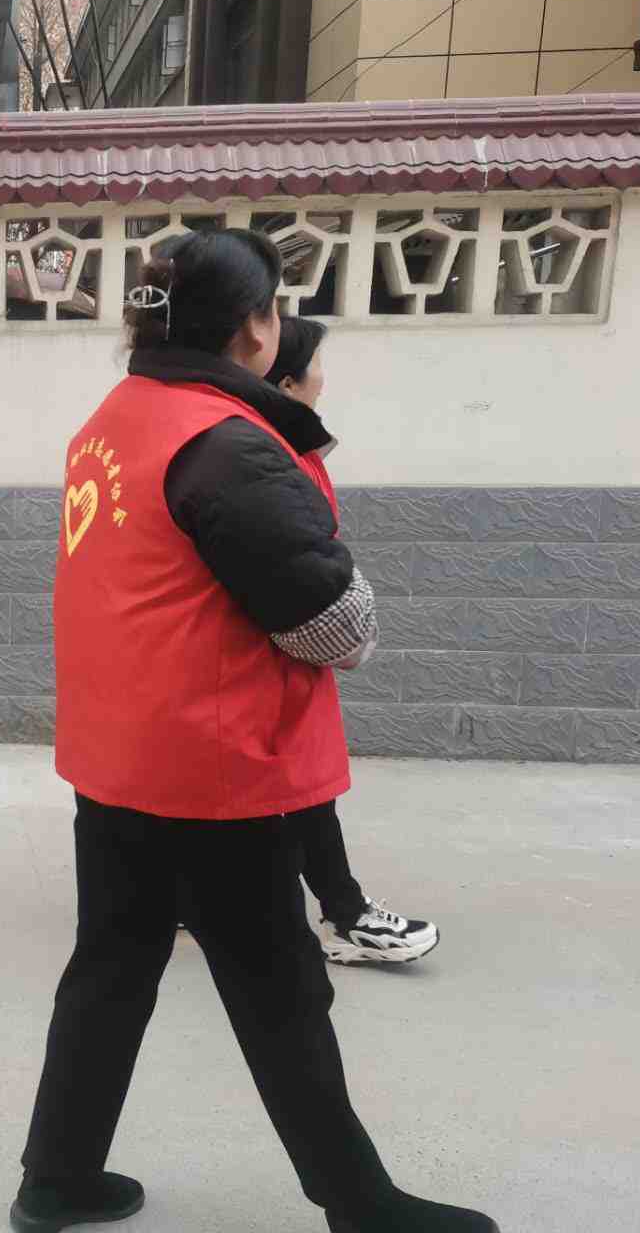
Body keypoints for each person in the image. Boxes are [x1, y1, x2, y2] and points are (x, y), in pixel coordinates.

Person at [10, 232, 496, 1233]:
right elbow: (333, 627)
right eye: (274, 306)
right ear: (254, 326)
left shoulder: (117, 415)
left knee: (110, 967)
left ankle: (55, 1176)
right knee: (280, 990)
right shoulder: (227, 446)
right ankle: (360, 1204)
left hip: (122, 754)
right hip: (213, 767)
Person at [266, 316, 438, 966]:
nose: (323, 379)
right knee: (302, 789)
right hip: (275, 652)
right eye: (315, 366)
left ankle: (190, 896)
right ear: (287, 383)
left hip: (285, 652)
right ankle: (345, 915)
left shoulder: (289, 450)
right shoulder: (262, 459)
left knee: (292, 790)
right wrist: (344, 629)